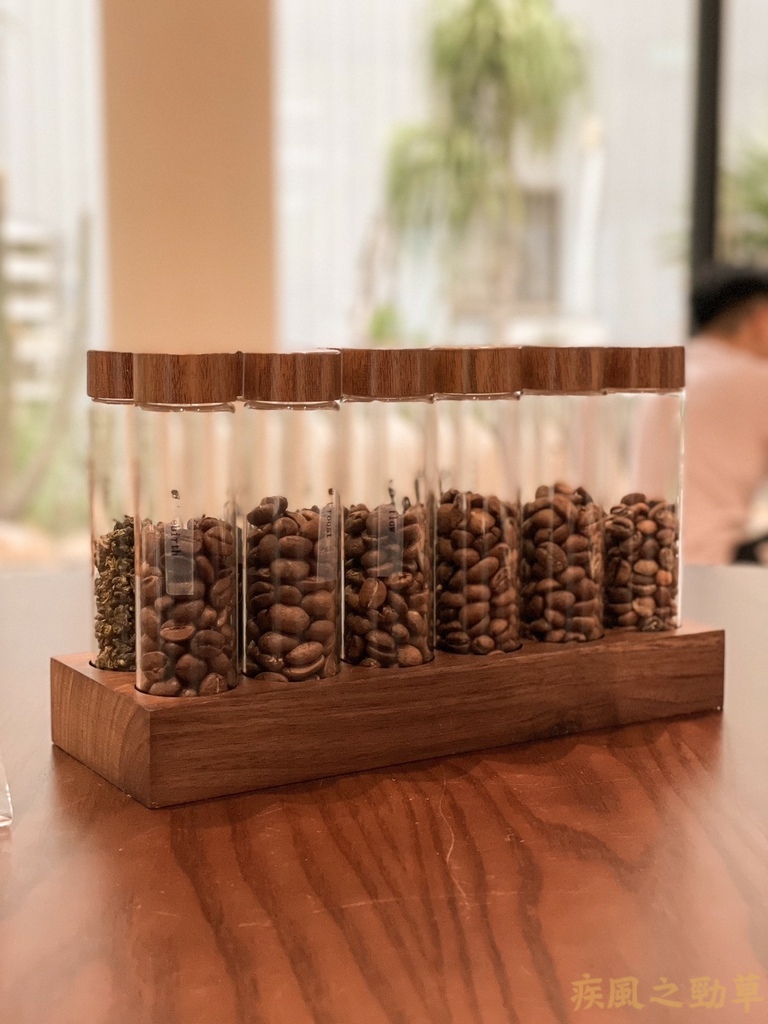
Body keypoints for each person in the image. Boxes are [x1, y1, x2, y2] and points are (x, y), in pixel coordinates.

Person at [680, 264, 768, 564]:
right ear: (760, 320)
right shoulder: (757, 379)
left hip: (651, 558)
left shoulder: (672, 371)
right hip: (719, 561)